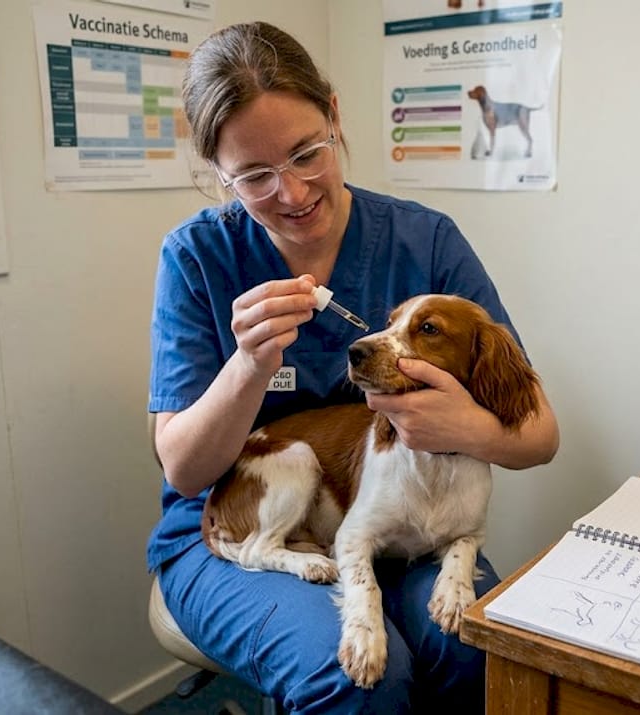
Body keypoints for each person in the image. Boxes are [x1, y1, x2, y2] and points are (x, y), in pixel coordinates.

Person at [147, 21, 559, 714]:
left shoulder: (424, 240)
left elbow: (540, 437)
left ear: (334, 117)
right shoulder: (196, 258)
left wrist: (462, 426)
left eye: (306, 153)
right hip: (230, 527)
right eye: (254, 176)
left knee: (475, 651)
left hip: (397, 507)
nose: (292, 192)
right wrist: (247, 365)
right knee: (360, 682)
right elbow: (185, 472)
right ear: (219, 174)